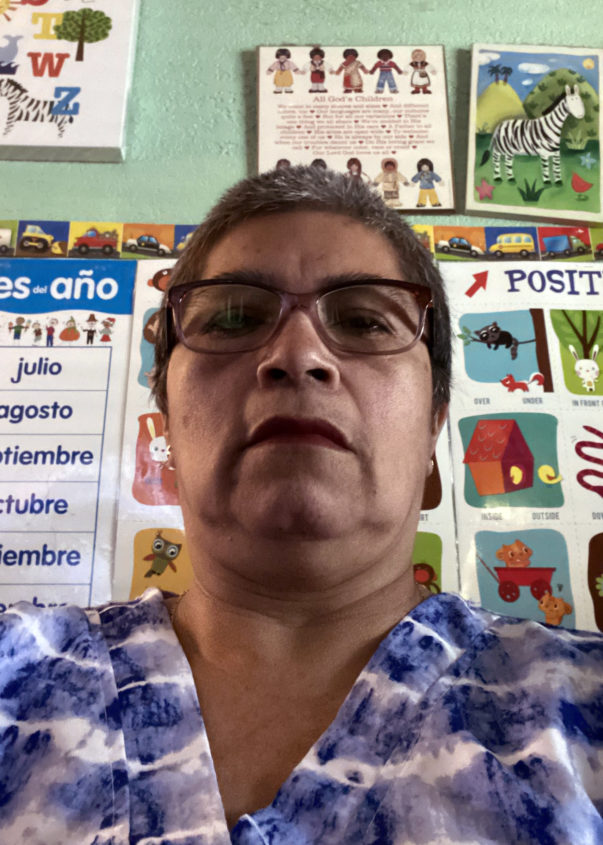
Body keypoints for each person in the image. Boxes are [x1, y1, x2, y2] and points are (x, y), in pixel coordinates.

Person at [0, 167, 601, 844]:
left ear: (434, 428)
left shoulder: (582, 705)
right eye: (233, 317)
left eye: (365, 321)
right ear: (165, 423)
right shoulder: (12, 673)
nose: (296, 354)